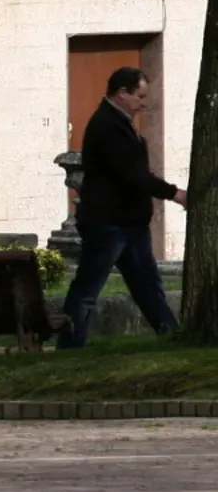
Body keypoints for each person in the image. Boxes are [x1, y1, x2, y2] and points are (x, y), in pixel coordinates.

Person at [57, 67, 187, 349]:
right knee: (88, 288)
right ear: (122, 93)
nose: (143, 103)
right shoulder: (107, 126)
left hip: (129, 224)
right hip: (109, 224)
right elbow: (133, 174)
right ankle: (68, 344)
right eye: (139, 96)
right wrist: (174, 193)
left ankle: (171, 336)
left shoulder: (119, 123)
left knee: (148, 288)